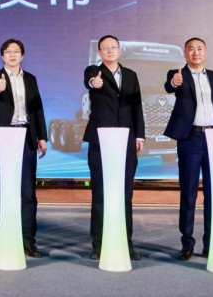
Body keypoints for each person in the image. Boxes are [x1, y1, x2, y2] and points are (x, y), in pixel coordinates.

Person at [164, 37, 213, 261]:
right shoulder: (178, 75)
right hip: (190, 139)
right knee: (189, 192)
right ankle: (187, 243)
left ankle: (211, 243)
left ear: (206, 52)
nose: (196, 53)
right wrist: (174, 82)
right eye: (191, 49)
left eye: (199, 49)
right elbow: (169, 86)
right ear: (185, 53)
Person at [0, 38, 48, 258]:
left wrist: (42, 137)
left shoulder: (30, 79)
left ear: (22, 55)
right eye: (8, 51)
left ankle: (28, 241)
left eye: (16, 51)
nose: (12, 54)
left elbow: (37, 108)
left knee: (27, 191)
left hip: (26, 135)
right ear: (2, 55)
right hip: (2, 135)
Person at [82, 34, 144, 261]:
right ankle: (98, 245)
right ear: (99, 52)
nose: (109, 50)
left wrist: (140, 136)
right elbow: (90, 80)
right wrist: (94, 83)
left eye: (113, 47)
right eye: (105, 48)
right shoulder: (93, 71)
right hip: (100, 141)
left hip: (126, 140)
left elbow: (136, 107)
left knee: (125, 194)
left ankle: (126, 243)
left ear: (119, 50)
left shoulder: (131, 75)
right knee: (100, 193)